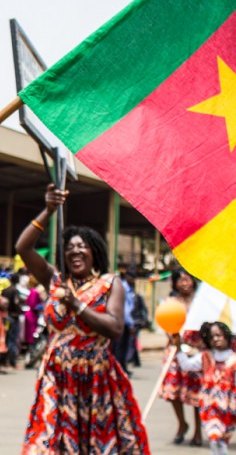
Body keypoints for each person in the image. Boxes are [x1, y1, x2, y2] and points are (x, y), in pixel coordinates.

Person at [16, 183, 149, 453]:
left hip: (96, 376)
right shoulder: (54, 279)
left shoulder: (111, 283)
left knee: (96, 442)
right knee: (49, 441)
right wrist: (49, 210)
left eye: (82, 246)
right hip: (57, 375)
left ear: (95, 252)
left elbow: (114, 328)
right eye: (69, 248)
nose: (75, 251)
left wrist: (76, 304)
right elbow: (23, 247)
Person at [175, 322, 236, 455]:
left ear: (226, 336)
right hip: (210, 405)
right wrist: (178, 347)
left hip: (229, 407)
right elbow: (187, 365)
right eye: (212, 337)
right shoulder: (205, 357)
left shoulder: (233, 359)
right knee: (214, 433)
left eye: (219, 335)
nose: (216, 339)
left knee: (223, 437)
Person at [158, 268, 202, 446]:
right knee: (173, 392)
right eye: (181, 280)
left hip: (196, 353)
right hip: (174, 353)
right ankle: (182, 424)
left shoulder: (201, 303)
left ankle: (198, 432)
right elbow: (165, 324)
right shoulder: (170, 302)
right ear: (175, 283)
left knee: (197, 394)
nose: (185, 283)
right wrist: (174, 339)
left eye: (188, 279)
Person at [1, 273, 22, 369]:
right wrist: (19, 311)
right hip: (13, 316)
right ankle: (12, 362)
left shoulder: (5, 290)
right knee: (12, 340)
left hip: (5, 316)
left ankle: (5, 361)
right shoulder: (15, 291)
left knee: (5, 338)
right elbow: (16, 303)